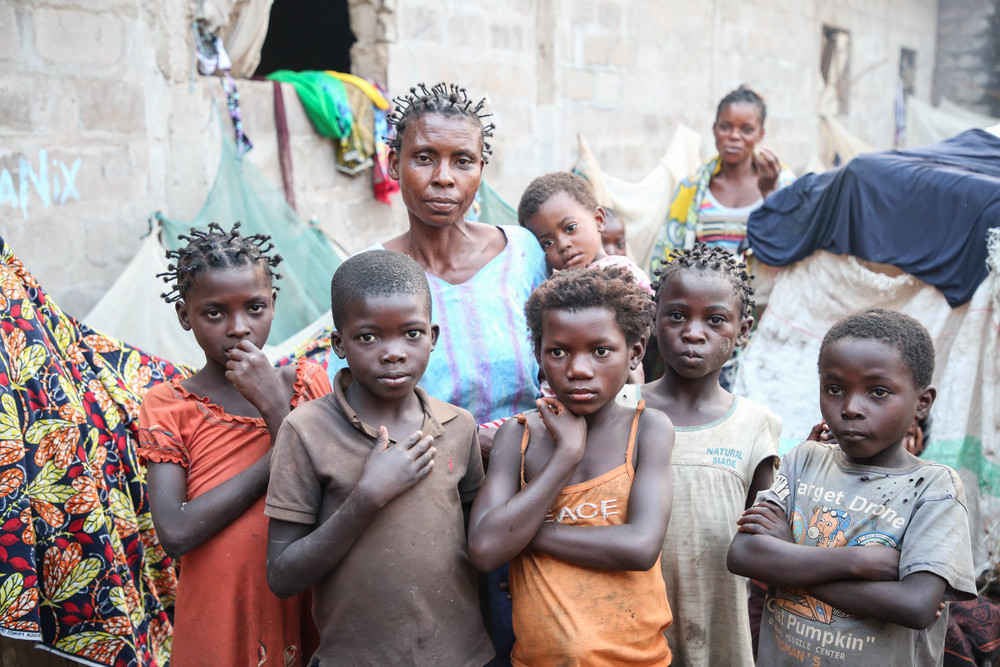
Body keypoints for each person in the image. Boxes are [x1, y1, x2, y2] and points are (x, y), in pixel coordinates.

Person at [325, 82, 547, 661]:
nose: (444, 177)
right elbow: (353, 401)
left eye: (462, 161)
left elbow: (567, 352)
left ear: (481, 168)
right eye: (424, 158)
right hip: (429, 499)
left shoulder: (523, 253)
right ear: (393, 162)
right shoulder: (370, 276)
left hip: (538, 486)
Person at [265, 250, 494, 665]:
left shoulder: (458, 427)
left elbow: (480, 552)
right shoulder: (306, 430)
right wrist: (367, 497)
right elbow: (282, 575)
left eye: (411, 333)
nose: (393, 353)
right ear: (338, 343)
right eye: (369, 337)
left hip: (463, 657)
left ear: (434, 336)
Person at [727, 308, 977, 666]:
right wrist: (858, 561)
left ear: (922, 402)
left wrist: (787, 558)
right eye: (834, 389)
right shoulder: (804, 461)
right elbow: (743, 554)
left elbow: (915, 606)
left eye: (877, 391)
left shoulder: (933, 489)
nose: (850, 408)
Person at [138, 223, 330, 666]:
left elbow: (329, 491)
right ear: (185, 315)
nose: (239, 328)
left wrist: (273, 405)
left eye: (255, 307)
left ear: (273, 306)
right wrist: (278, 451)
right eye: (214, 313)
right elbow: (176, 532)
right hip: (219, 612)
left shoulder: (305, 383)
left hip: (304, 598)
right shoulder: (169, 405)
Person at [469, 267, 675, 665]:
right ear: (539, 356)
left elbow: (639, 547)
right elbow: (483, 550)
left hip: (636, 658)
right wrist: (566, 455)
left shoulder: (648, 429)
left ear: (634, 352)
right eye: (559, 351)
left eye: (600, 351)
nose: (578, 369)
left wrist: (522, 533)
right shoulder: (519, 436)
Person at [641, 243, 780, 666]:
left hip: (716, 626)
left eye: (715, 320)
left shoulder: (758, 425)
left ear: (743, 330)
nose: (693, 332)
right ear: (654, 318)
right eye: (677, 315)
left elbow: (768, 539)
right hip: (628, 625)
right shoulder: (619, 408)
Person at [649, 84, 795, 272]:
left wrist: (769, 192)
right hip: (705, 298)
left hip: (765, 300)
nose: (734, 136)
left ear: (760, 134)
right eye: (725, 127)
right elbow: (668, 255)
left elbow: (792, 244)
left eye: (746, 129)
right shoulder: (692, 188)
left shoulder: (784, 185)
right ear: (714, 130)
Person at [518, 171, 651, 292]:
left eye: (570, 228)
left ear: (598, 220)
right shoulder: (554, 287)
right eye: (548, 242)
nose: (563, 245)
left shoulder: (623, 274)